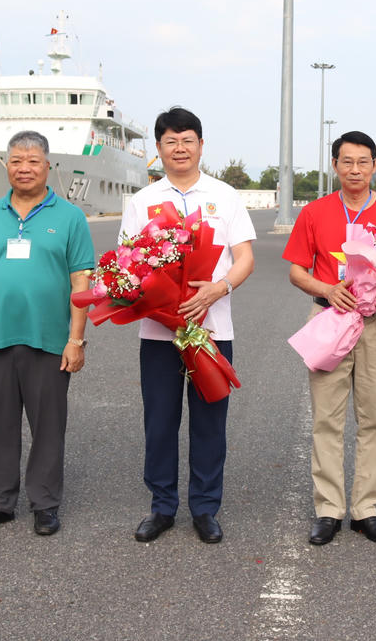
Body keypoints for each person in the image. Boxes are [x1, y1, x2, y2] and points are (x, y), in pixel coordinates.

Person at [122, 107, 256, 544]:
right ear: (158, 149)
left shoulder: (225, 196)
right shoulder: (142, 202)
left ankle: (204, 508)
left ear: (201, 144)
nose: (179, 149)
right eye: (170, 142)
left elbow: (245, 258)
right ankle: (162, 507)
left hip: (212, 330)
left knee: (209, 422)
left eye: (188, 140)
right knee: (159, 422)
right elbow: (128, 264)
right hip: (159, 333)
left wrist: (217, 289)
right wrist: (149, 296)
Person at [0, 130, 94, 537]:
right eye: (16, 160)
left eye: (33, 161)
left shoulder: (69, 217)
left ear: (48, 165)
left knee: (48, 424)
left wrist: (76, 339)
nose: (24, 168)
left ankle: (45, 504)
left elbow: (81, 280)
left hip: (49, 340)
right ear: (6, 166)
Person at [284, 130, 376, 545]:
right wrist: (326, 289)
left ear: (375, 165)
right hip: (330, 320)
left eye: (363, 162)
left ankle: (366, 508)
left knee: (375, 418)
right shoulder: (315, 213)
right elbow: (297, 271)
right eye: (346, 161)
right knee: (327, 419)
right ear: (335, 165)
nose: (354, 169)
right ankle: (328, 509)